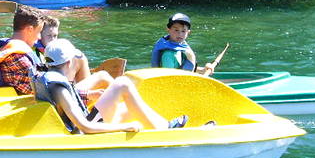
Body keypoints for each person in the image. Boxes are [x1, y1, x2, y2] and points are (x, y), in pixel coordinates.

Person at [34, 39, 188, 133]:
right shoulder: (60, 89)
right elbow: (85, 127)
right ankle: (165, 133)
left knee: (128, 108)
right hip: (84, 132)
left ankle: (164, 127)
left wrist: (88, 95)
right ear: (69, 62)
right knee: (122, 84)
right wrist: (125, 127)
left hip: (86, 123)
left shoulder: (50, 78)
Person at [0, 5, 45, 94]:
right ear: (30, 29)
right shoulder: (18, 57)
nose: (39, 37)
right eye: (39, 32)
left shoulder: (3, 46)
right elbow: (39, 90)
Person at [33, 15, 93, 83]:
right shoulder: (36, 52)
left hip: (56, 80)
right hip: (53, 83)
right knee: (79, 57)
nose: (53, 39)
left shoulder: (52, 49)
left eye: (55, 36)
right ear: (40, 35)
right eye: (49, 36)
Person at [151, 13, 215, 74]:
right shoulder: (168, 54)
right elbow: (169, 77)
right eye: (176, 30)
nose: (180, 34)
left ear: (188, 32)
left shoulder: (181, 46)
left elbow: (182, 69)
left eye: (183, 31)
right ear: (168, 30)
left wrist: (203, 70)